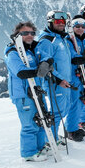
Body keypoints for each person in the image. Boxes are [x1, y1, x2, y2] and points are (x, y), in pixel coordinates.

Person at [5, 22, 57, 161]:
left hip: (36, 90)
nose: (29, 36)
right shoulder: (13, 52)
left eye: (32, 33)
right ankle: (28, 153)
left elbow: (46, 57)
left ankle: (40, 148)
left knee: (42, 120)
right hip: (23, 94)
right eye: (25, 33)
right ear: (17, 35)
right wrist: (38, 71)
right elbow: (20, 72)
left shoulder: (33, 48)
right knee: (29, 124)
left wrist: (46, 63)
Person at [36, 11, 74, 141]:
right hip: (55, 82)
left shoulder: (60, 38)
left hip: (64, 81)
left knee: (63, 110)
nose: (61, 24)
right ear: (50, 22)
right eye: (58, 22)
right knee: (57, 112)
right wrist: (58, 79)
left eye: (63, 22)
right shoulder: (47, 41)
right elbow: (45, 65)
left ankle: (52, 137)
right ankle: (50, 140)